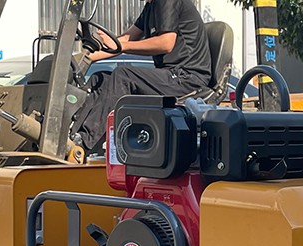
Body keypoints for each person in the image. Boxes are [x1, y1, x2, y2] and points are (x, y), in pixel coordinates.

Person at [71, 0, 212, 153]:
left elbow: (166, 43)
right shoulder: (151, 7)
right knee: (99, 79)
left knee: (123, 75)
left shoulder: (167, 2)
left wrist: (122, 46)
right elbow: (124, 40)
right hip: (170, 75)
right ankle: (72, 136)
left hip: (187, 78)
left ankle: (83, 145)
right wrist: (83, 59)